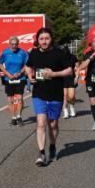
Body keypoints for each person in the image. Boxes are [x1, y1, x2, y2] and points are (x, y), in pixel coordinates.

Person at [26, 28, 72, 166]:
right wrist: (29, 76)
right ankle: (41, 153)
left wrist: (54, 74)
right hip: (39, 93)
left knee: (53, 124)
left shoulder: (59, 53)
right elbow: (28, 66)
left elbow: (69, 70)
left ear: (51, 39)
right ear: (38, 40)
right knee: (41, 122)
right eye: (41, 39)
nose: (44, 41)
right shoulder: (34, 53)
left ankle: (52, 146)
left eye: (47, 38)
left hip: (55, 93)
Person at [0, 36, 29, 126]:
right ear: (9, 44)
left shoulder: (23, 53)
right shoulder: (5, 52)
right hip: (9, 78)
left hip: (20, 78)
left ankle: (19, 116)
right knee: (10, 100)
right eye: (12, 44)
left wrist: (20, 73)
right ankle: (13, 117)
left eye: (16, 44)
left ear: (18, 44)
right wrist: (7, 74)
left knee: (19, 98)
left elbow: (27, 64)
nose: (14, 46)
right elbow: (0, 63)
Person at [61, 46, 78, 119]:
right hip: (62, 79)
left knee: (71, 96)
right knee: (64, 96)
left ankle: (71, 106)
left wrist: (77, 77)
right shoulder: (59, 58)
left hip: (71, 78)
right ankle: (65, 111)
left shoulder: (73, 57)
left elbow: (77, 67)